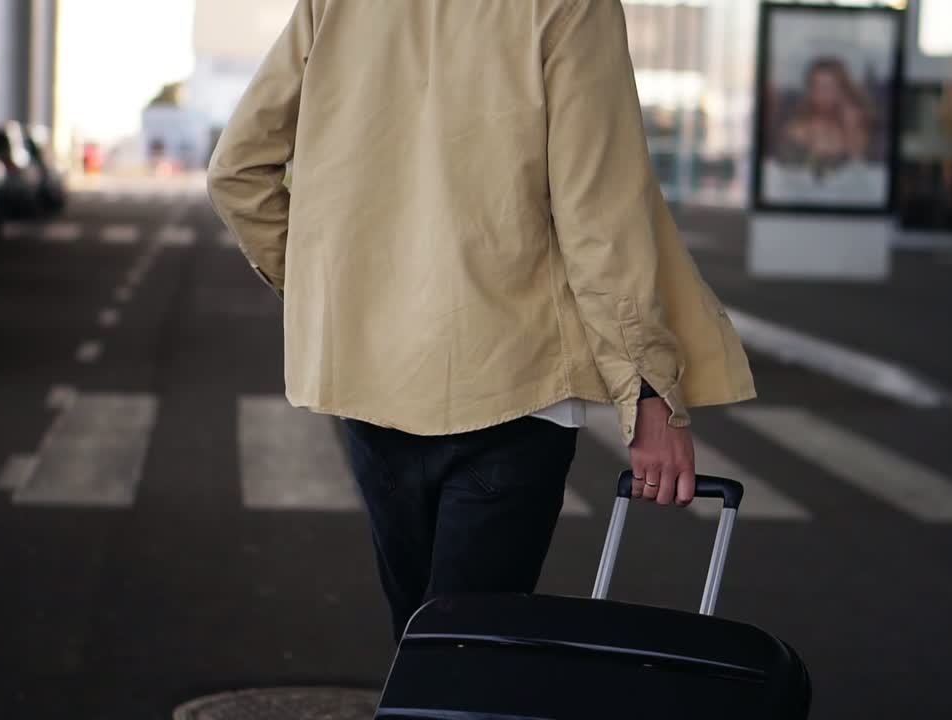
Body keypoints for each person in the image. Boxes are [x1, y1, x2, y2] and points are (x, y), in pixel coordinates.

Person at [207, 0, 755, 641]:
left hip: (375, 385)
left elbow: (237, 173)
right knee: (467, 663)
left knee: (421, 653)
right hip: (515, 390)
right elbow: (599, 218)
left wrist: (340, 300)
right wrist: (649, 393)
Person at [776, 57, 873, 174]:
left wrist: (851, 128)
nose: (823, 95)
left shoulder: (853, 126)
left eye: (829, 87)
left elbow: (860, 169)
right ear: (809, 91)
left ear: (842, 90)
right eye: (817, 87)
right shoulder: (797, 128)